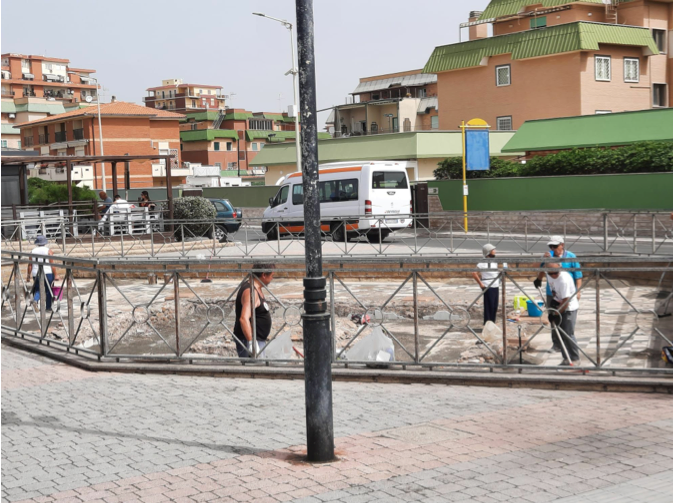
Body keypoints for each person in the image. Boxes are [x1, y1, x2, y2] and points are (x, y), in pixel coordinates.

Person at [233, 263, 275, 358]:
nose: (272, 279)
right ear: (264, 275)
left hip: (257, 340)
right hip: (249, 341)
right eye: (272, 276)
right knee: (254, 371)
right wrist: (252, 343)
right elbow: (243, 318)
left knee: (259, 371)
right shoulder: (250, 291)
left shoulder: (256, 288)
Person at [546, 262, 580, 366]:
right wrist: (538, 279)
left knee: (568, 334)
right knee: (560, 333)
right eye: (551, 274)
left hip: (568, 308)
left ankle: (575, 359)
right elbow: (542, 272)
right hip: (558, 303)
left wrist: (555, 314)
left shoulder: (564, 280)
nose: (554, 276)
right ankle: (566, 359)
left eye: (556, 273)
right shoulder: (549, 273)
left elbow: (566, 301)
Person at [534, 235, 583, 304]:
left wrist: (578, 291)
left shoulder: (571, 256)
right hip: (552, 292)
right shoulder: (548, 256)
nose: (553, 248)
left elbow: (578, 276)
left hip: (567, 292)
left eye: (555, 246)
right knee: (552, 312)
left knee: (567, 312)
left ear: (562, 245)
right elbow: (538, 267)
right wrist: (539, 279)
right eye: (551, 246)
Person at [472, 244, 506, 324]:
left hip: (495, 285)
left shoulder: (494, 262)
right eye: (493, 250)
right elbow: (474, 273)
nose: (495, 251)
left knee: (494, 306)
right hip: (487, 286)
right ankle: (487, 323)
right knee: (489, 306)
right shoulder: (482, 263)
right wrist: (481, 284)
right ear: (488, 252)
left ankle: (492, 323)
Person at [26, 235, 59, 311]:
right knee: (48, 289)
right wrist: (56, 274)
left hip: (36, 273)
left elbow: (30, 265)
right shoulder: (49, 251)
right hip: (47, 272)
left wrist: (28, 275)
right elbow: (52, 264)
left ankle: (35, 300)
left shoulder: (32, 251)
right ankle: (48, 307)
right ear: (45, 242)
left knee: (38, 288)